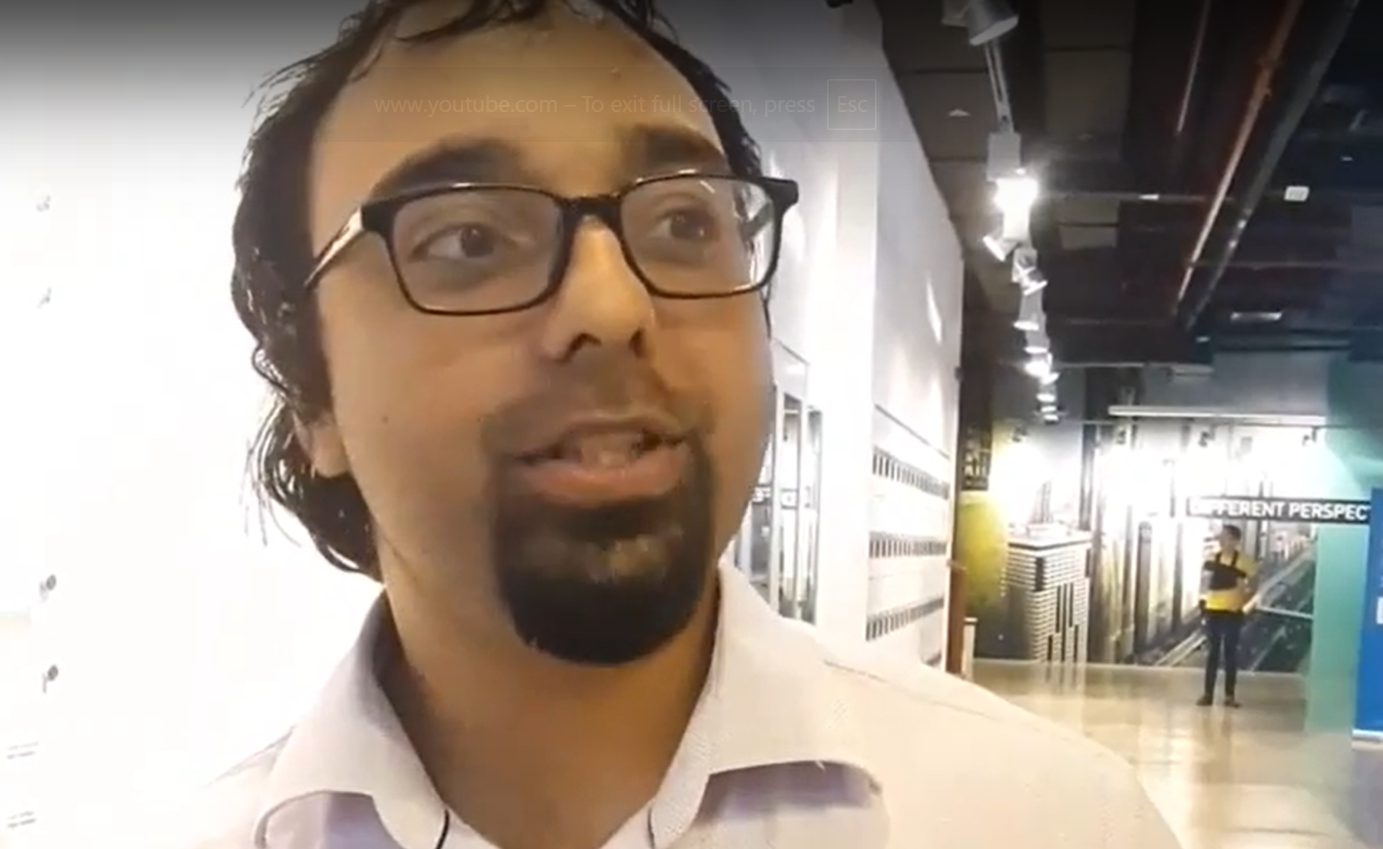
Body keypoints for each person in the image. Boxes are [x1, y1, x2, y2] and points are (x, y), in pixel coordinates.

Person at [190, 1, 1184, 846]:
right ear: (311, 395)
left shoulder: (1053, 819)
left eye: (682, 223)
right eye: (469, 238)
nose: (612, 303)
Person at [1198, 524, 1256, 708]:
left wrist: (1242, 601)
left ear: (1235, 540)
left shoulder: (1245, 562)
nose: (1221, 540)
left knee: (1230, 653)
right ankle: (1207, 694)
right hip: (1213, 610)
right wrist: (1203, 604)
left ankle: (1229, 695)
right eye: (1221, 537)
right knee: (1212, 654)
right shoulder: (1212, 559)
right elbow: (1205, 583)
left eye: (1225, 537)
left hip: (1233, 612)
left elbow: (1254, 585)